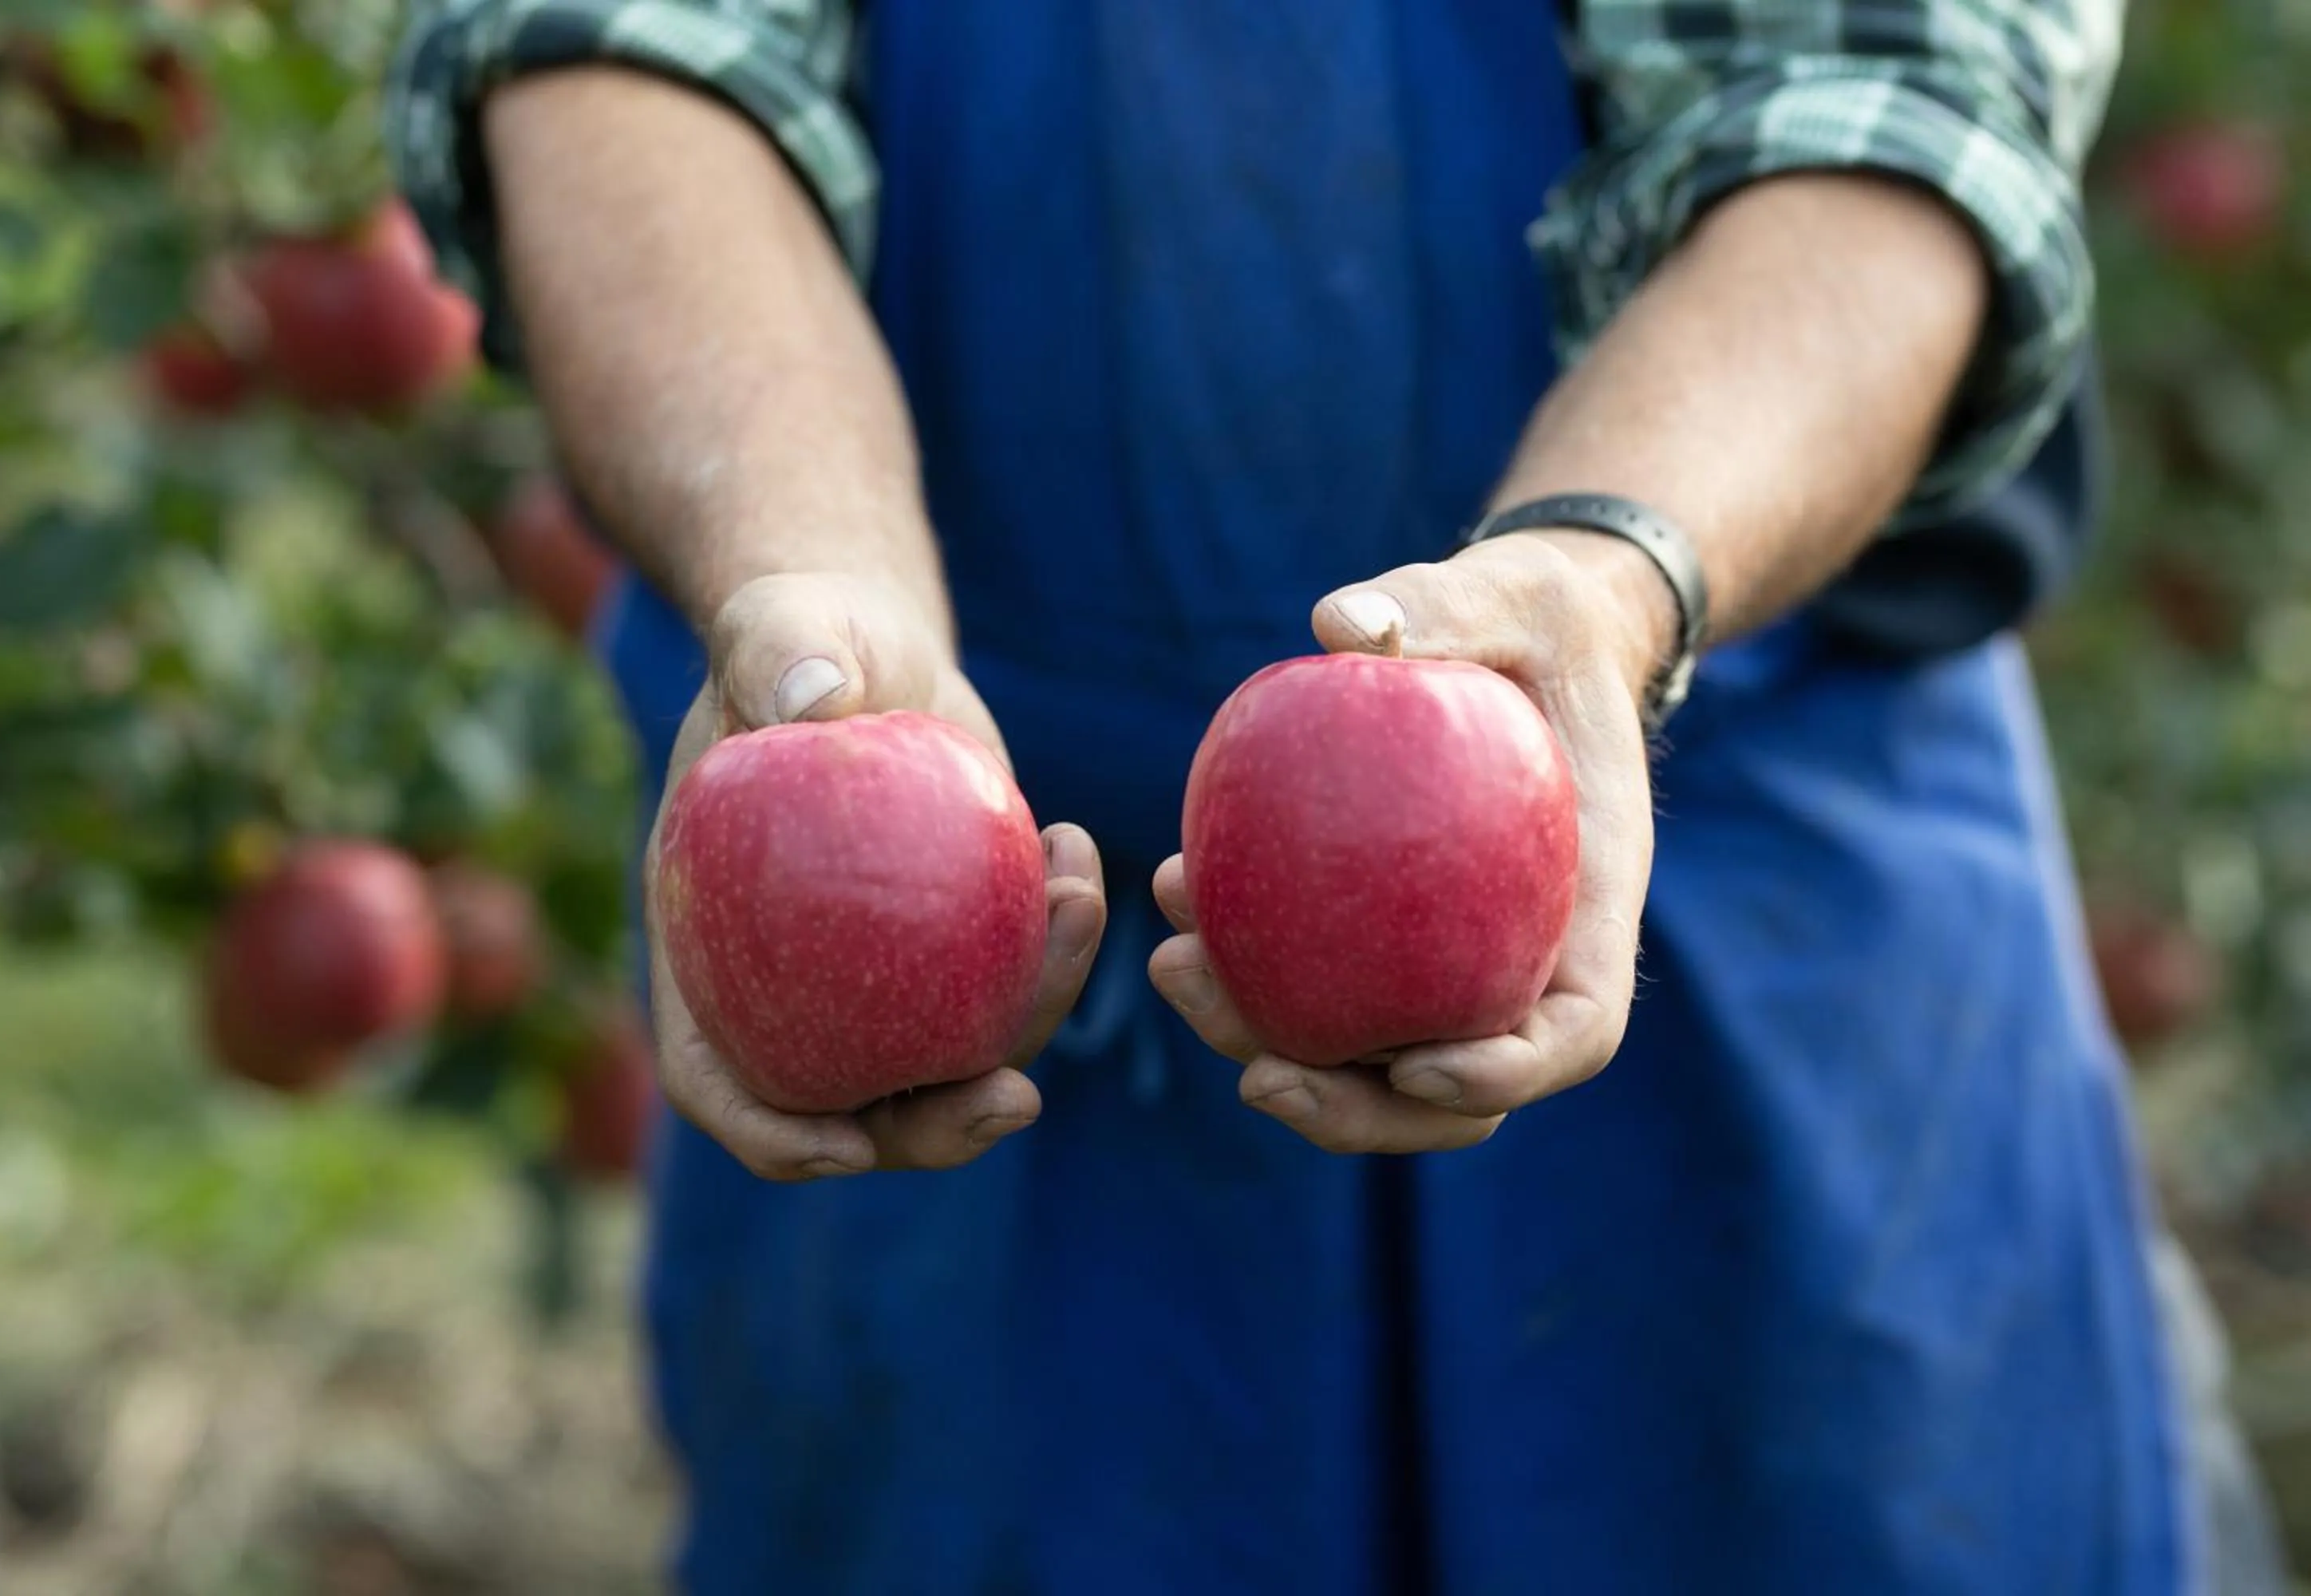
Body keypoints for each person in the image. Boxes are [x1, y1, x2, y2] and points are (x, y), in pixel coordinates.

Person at [385, 2, 2262, 1590]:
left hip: (1722, 815)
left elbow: (1881, 102)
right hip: (972, 867)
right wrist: (813, 601)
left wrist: (1600, 584)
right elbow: (613, 46)